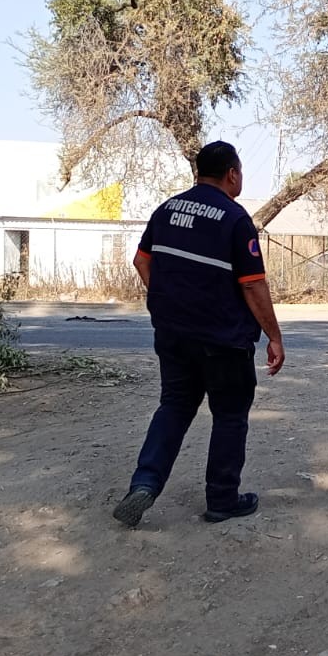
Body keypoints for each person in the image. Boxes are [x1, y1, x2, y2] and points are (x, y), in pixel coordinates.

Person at [113, 141, 285, 528]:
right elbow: (253, 286)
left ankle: (143, 483)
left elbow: (142, 261)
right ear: (232, 174)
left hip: (173, 333)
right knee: (229, 414)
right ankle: (222, 499)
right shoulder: (235, 219)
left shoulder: (167, 210)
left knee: (174, 406)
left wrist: (170, 299)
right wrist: (274, 336)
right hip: (223, 339)